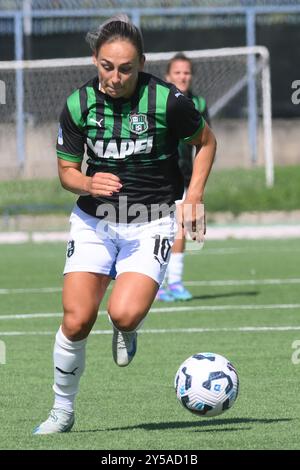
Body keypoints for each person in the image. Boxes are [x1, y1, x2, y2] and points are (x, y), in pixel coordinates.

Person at [33, 15, 216, 435]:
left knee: (125, 313)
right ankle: (62, 411)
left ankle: (126, 329)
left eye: (126, 68)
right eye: (107, 66)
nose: (115, 77)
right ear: (95, 60)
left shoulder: (168, 100)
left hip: (150, 222)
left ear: (142, 63)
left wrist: (194, 198)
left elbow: (206, 143)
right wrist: (87, 181)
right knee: (77, 320)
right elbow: (66, 173)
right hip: (94, 222)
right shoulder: (78, 104)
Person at [156, 53, 211, 302]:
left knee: (185, 228)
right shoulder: (159, 102)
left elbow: (206, 142)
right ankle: (161, 283)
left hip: (186, 175)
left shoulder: (198, 103)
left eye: (186, 72)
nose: (182, 76)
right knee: (169, 229)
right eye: (177, 72)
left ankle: (172, 283)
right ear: (168, 76)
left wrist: (199, 184)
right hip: (161, 175)